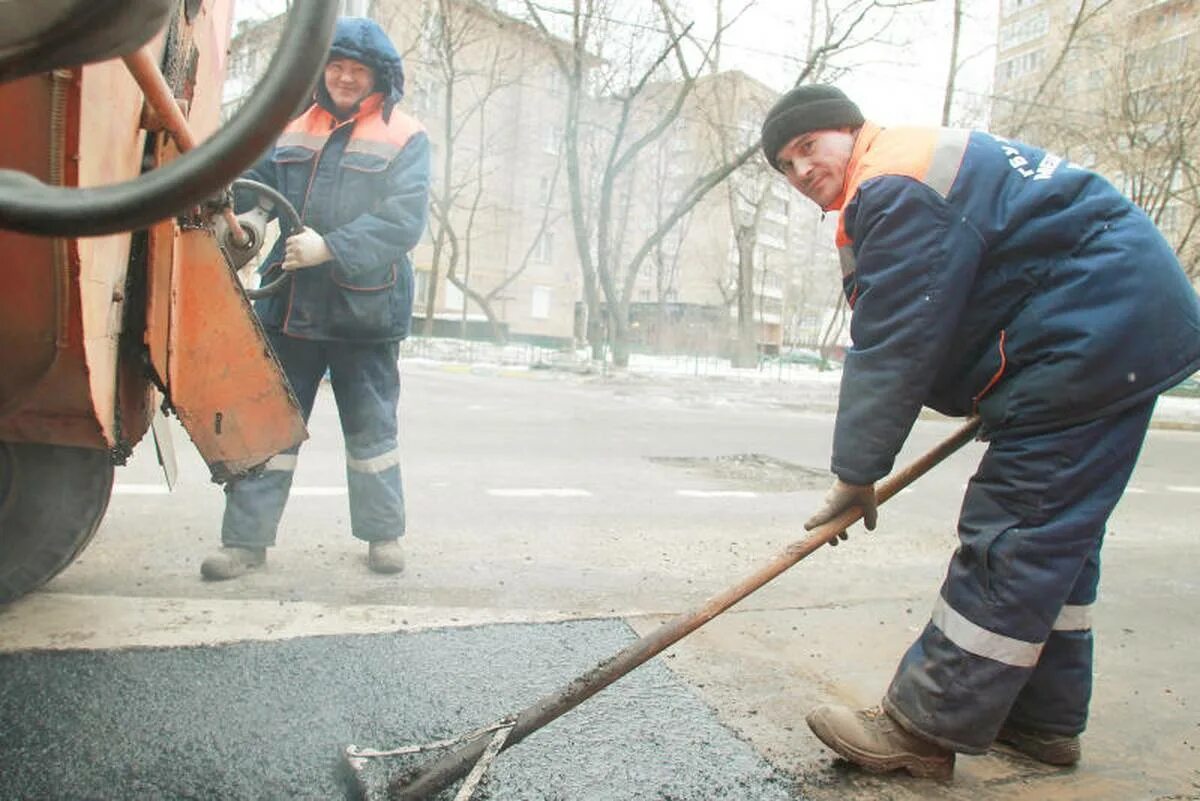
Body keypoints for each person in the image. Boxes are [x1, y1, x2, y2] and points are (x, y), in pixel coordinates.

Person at [759, 85, 1200, 779]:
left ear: (848, 129)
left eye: (808, 146)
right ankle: (1041, 722)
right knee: (1055, 537)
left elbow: (897, 339)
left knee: (1016, 528)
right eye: (785, 166)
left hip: (1093, 331)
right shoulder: (904, 170)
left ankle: (924, 725)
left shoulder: (894, 184)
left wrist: (856, 472)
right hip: (1110, 324)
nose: (801, 170)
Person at [201, 17, 430, 581]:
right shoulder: (292, 125)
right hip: (291, 306)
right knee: (269, 427)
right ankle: (244, 543)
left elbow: (404, 221)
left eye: (357, 70)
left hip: (366, 311)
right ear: (322, 69)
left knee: (371, 431)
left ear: (379, 76)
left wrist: (332, 246)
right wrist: (251, 220)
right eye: (336, 67)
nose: (345, 78)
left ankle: (383, 536)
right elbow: (257, 186)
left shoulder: (405, 135)